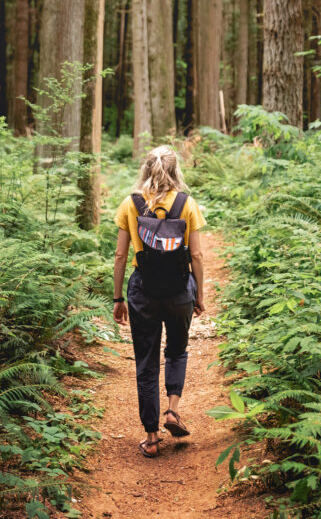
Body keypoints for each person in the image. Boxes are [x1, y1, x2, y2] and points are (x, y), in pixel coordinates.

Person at [112, 145, 206, 458]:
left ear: (145, 169)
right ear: (176, 170)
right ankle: (172, 411)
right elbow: (196, 255)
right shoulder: (186, 204)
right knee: (177, 350)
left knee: (147, 361)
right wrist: (199, 295)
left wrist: (117, 298)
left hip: (143, 291)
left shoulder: (131, 203)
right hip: (179, 290)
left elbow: (121, 255)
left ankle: (151, 437)